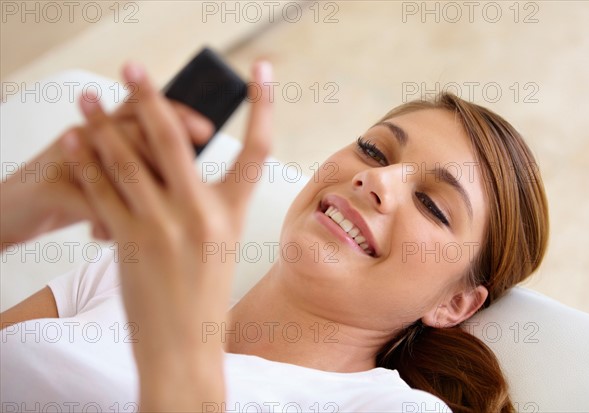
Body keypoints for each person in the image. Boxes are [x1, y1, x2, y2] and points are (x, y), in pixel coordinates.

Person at [0, 60, 549, 413]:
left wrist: (180, 350)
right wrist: (18, 211)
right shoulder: (133, 276)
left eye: (433, 204)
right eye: (375, 150)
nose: (376, 179)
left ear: (455, 303)